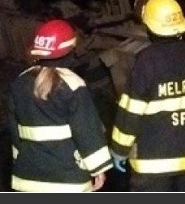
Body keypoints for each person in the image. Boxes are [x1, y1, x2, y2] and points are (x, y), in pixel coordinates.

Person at [109, 0, 185, 192]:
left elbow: (130, 113)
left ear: (150, 27)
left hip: (150, 166)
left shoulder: (146, 61)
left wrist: (119, 149)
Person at [8, 19, 113, 192]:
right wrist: (98, 168)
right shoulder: (72, 84)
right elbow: (87, 130)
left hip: (28, 177)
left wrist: (20, 160)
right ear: (69, 50)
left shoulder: (19, 83)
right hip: (68, 179)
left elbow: (15, 131)